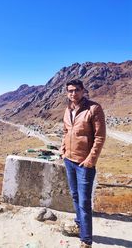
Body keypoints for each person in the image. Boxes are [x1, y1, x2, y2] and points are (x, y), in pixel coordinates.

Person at [60, 79, 106, 248]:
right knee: (74, 195)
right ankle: (79, 224)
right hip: (69, 160)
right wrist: (63, 149)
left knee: (84, 202)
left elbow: (100, 137)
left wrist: (90, 160)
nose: (73, 93)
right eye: (70, 91)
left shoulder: (94, 108)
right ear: (67, 92)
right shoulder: (67, 109)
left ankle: (86, 240)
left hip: (84, 164)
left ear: (83, 90)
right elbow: (66, 130)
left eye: (77, 90)